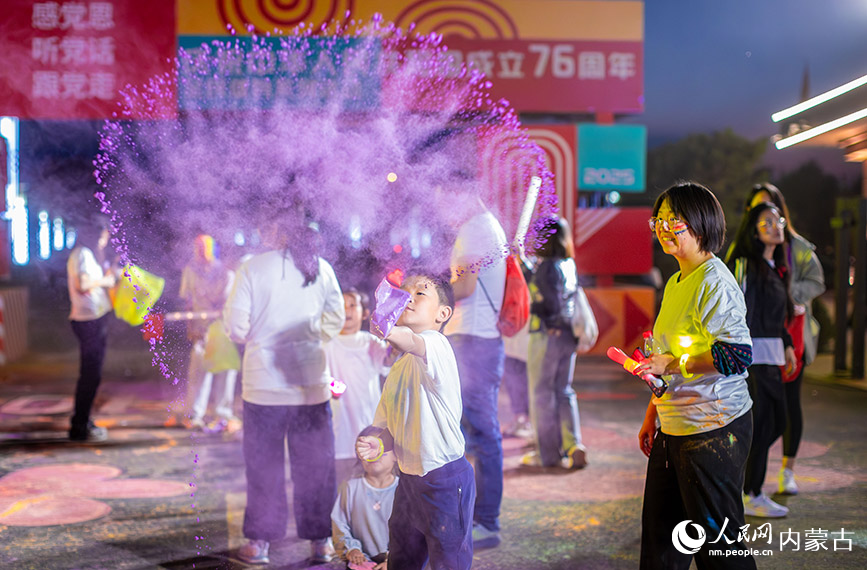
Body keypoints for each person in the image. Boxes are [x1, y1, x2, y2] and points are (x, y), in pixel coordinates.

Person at [635, 182, 756, 569]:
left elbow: (736, 354)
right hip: (674, 428)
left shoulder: (714, 281)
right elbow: (664, 356)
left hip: (713, 428)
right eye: (660, 219)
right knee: (660, 545)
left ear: (701, 225)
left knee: (719, 549)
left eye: (676, 220)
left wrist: (671, 363)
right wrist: (654, 413)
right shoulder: (676, 282)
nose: (665, 227)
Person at [223, 215, 345, 566]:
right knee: (316, 467)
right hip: (311, 384)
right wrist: (309, 342)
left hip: (263, 387)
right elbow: (335, 318)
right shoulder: (321, 268)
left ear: (276, 234)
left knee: (264, 466)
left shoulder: (252, 267)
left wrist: (261, 339)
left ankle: (260, 542)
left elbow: (236, 325)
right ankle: (320, 541)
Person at [356, 272, 475, 570]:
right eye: (405, 291)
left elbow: (411, 340)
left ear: (443, 313)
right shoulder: (398, 367)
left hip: (445, 481)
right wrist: (376, 442)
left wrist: (386, 329)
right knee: (401, 559)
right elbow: (387, 429)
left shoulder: (436, 345)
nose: (408, 296)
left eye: (420, 293)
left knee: (449, 562)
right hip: (408, 480)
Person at [742, 183, 825, 495]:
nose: (770, 221)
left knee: (786, 408)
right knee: (762, 415)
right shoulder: (748, 258)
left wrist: (788, 298)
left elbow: (816, 281)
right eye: (758, 210)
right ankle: (750, 487)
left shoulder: (797, 247)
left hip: (792, 335)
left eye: (773, 212)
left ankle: (786, 472)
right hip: (760, 344)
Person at [727, 202, 797, 518]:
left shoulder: (778, 268)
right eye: (766, 222)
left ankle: (749, 489)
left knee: (777, 422)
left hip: (772, 356)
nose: (775, 225)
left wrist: (787, 345)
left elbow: (779, 318)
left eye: (778, 219)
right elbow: (737, 310)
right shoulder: (745, 263)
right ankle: (748, 492)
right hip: (752, 357)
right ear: (753, 231)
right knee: (761, 425)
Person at [445, 195, 508, 549]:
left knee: (481, 436)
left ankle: (486, 521)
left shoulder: (474, 229)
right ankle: (477, 517)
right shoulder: (488, 226)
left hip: (472, 340)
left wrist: (428, 294)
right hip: (481, 340)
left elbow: (465, 288)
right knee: (476, 434)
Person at [522, 217, 586, 469]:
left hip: (547, 335)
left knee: (541, 395)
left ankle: (548, 454)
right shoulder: (567, 263)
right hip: (568, 336)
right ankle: (573, 444)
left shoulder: (548, 267)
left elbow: (549, 302)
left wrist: (531, 307)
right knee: (563, 392)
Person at [326, 288, 390, 484]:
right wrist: (330, 386)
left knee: (373, 492)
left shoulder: (371, 341)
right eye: (341, 306)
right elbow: (318, 377)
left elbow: (389, 362)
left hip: (372, 436)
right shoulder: (327, 344)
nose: (347, 310)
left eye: (353, 305)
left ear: (365, 313)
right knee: (344, 494)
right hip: (341, 440)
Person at [178, 234, 239, 431]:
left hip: (221, 331)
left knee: (224, 371)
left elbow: (229, 303)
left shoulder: (226, 273)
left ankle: (222, 415)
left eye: (206, 247)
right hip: (200, 330)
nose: (202, 251)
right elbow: (187, 300)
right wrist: (191, 328)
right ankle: (195, 415)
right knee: (199, 373)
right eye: (198, 247)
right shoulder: (190, 271)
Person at [67, 218, 117, 442]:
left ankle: (83, 421)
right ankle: (79, 426)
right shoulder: (83, 254)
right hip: (89, 322)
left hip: (93, 320)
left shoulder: (86, 255)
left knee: (91, 376)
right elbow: (83, 285)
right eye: (105, 234)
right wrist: (107, 281)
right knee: (90, 376)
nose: (106, 239)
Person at [331, 425, 399, 570]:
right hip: (361, 561)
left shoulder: (403, 490)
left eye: (378, 449)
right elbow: (340, 524)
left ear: (396, 455)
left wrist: (394, 560)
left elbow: (410, 533)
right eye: (365, 450)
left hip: (396, 560)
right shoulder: (350, 488)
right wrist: (352, 550)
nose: (372, 455)